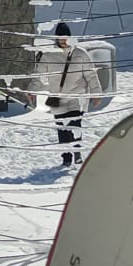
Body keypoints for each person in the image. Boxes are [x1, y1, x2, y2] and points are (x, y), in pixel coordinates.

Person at [33, 21, 103, 166]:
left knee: (75, 125)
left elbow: (91, 75)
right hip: (57, 98)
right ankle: (66, 158)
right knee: (62, 129)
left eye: (65, 36)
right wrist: (31, 91)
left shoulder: (80, 54)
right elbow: (39, 76)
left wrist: (96, 94)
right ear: (56, 38)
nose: (63, 39)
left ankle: (77, 153)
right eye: (60, 36)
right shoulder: (49, 56)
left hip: (76, 97)